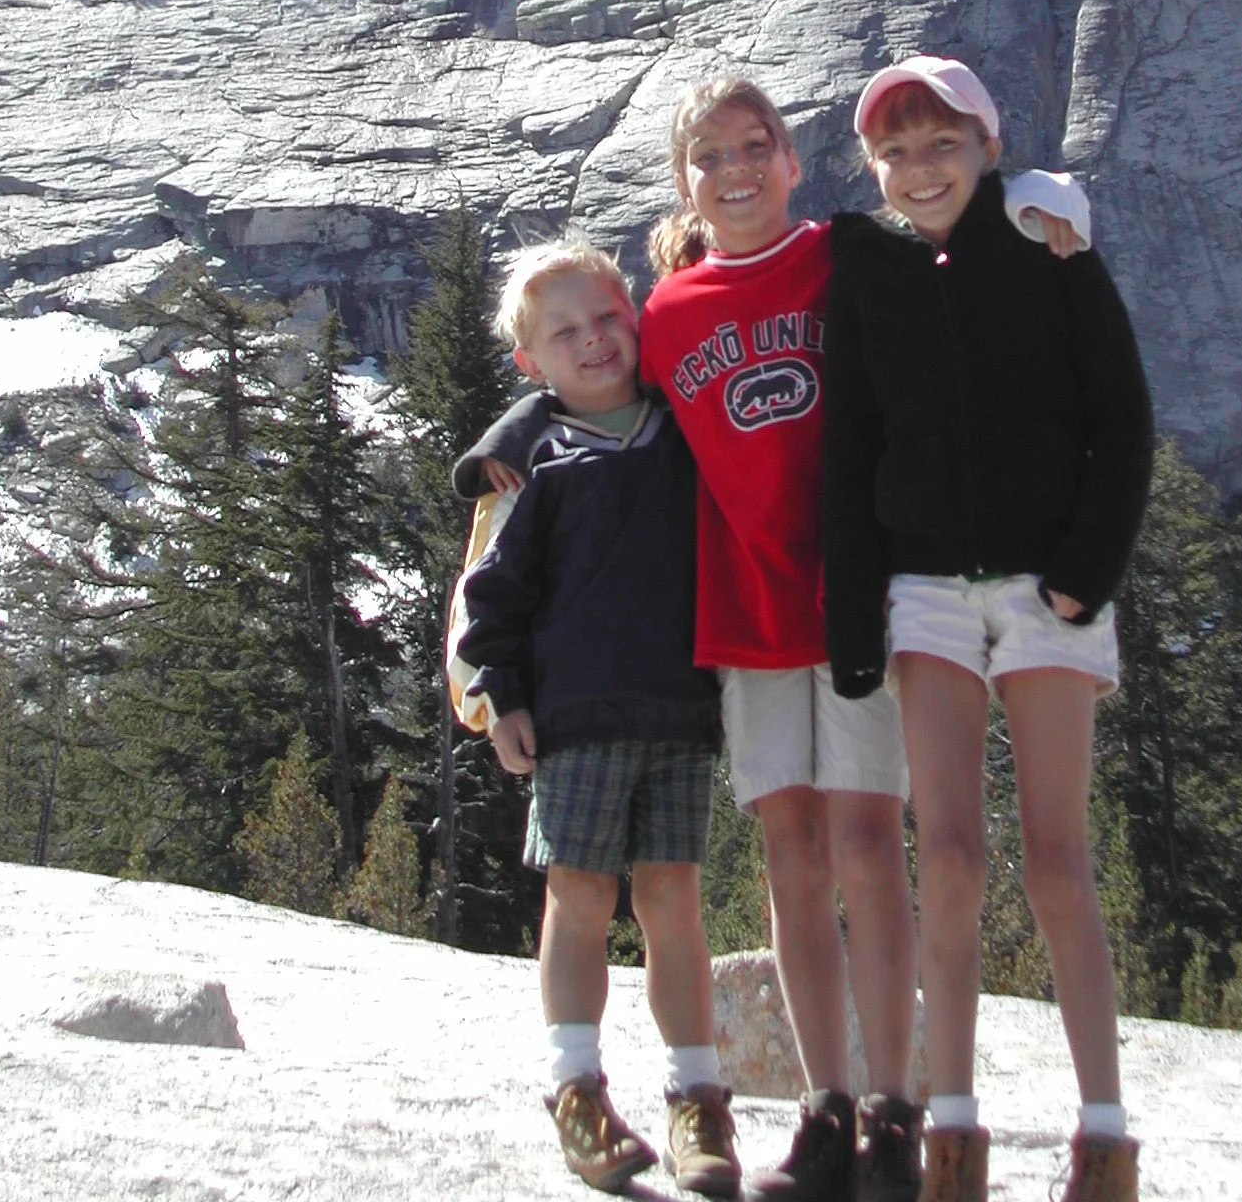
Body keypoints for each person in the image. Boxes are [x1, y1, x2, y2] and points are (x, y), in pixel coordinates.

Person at [638, 77, 1088, 1202]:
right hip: (745, 614)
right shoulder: (665, 313)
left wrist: (1043, 190)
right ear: (685, 182)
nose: (737, 168)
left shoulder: (850, 257)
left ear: (794, 161)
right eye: (711, 155)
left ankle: (895, 1104)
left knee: (868, 846)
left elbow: (956, 221)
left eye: (758, 144)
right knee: (790, 854)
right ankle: (825, 1108)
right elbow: (587, 392)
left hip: (862, 600)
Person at [822, 56, 1154, 1202]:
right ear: (874, 166)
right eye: (897, 151)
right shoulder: (865, 275)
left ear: (989, 147)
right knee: (949, 856)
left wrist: (1085, 571)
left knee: (1059, 860)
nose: (920, 169)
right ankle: (949, 1135)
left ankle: (1103, 1137)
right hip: (923, 590)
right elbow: (849, 447)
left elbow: (1122, 415)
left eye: (943, 144)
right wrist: (853, 616)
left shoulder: (1053, 251)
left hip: (1046, 586)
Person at [453, 238, 740, 1197]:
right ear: (529, 364)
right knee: (577, 899)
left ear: (636, 315)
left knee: (673, 905)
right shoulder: (534, 460)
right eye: (564, 333)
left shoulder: (680, 427)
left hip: (678, 707)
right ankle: (575, 1087)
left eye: (608, 317)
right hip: (574, 718)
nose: (594, 342)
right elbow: (496, 597)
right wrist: (501, 699)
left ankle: (696, 1097)